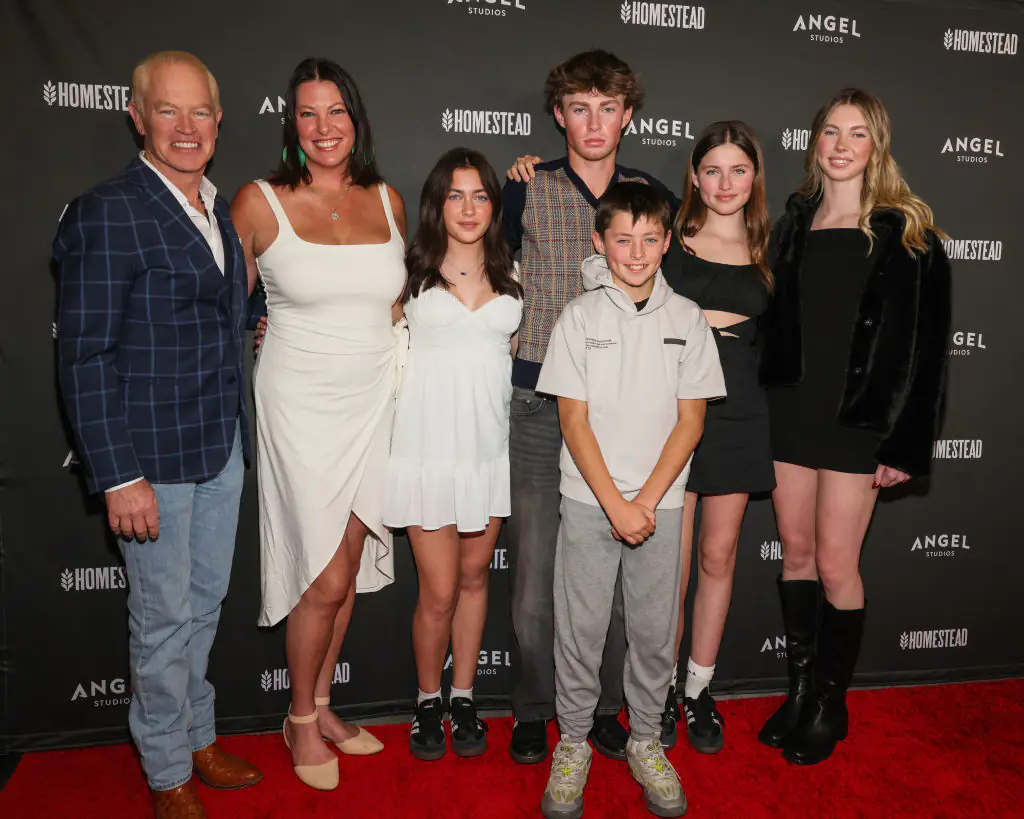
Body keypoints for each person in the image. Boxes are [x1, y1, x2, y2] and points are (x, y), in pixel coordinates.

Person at [54, 51, 261, 819]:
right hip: (149, 461)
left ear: (218, 120)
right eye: (167, 110)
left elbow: (219, 313)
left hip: (219, 445)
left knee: (204, 603)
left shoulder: (216, 206)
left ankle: (197, 736)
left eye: (199, 111)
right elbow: (83, 355)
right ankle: (167, 768)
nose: (185, 126)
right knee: (163, 617)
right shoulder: (109, 210)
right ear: (137, 116)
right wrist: (118, 474)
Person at [759, 88, 951, 765]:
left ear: (877, 146)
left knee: (837, 562)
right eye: (831, 132)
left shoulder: (910, 232)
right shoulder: (793, 222)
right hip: (790, 413)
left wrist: (905, 443)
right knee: (796, 553)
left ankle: (829, 702)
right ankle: (800, 690)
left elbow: (928, 352)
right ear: (815, 143)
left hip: (858, 422)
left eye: (857, 133)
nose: (841, 146)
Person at [231, 57, 406, 790]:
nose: (324, 127)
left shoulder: (388, 199)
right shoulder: (258, 201)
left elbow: (393, 303)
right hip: (300, 402)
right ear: (291, 124)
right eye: (308, 113)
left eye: (336, 111)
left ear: (355, 119)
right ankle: (298, 716)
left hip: (375, 396)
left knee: (349, 561)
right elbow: (224, 306)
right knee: (324, 574)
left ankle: (325, 704)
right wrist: (255, 326)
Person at [502, 49, 679, 765]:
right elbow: (479, 272)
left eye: (608, 108)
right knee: (535, 576)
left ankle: (607, 706)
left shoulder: (652, 194)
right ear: (559, 115)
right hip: (539, 402)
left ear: (627, 115)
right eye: (580, 108)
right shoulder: (524, 187)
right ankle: (534, 706)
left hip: (622, 409)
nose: (594, 122)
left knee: (613, 576)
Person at [537, 182, 725, 819]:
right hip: (588, 501)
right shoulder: (578, 317)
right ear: (600, 243)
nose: (637, 252)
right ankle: (572, 742)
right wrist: (615, 505)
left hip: (660, 506)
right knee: (580, 629)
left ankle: (645, 739)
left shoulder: (688, 319)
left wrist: (642, 502)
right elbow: (573, 419)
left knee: (652, 631)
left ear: (668, 242)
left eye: (649, 239)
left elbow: (691, 422)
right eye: (623, 240)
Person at [385, 149, 523, 760]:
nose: (468, 209)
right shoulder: (409, 272)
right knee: (438, 591)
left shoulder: (513, 270)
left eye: (481, 196)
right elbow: (364, 336)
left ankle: (463, 696)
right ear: (436, 204)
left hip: (487, 453)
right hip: (426, 453)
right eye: (455, 196)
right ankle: (426, 701)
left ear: (495, 205)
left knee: (473, 579)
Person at [658, 121, 775, 754]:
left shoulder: (772, 245)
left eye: (738, 170)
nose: (725, 184)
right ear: (694, 176)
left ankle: (698, 688)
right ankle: (657, 690)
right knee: (669, 566)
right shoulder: (667, 233)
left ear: (754, 177)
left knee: (717, 556)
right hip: (670, 410)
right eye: (712, 170)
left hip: (739, 409)